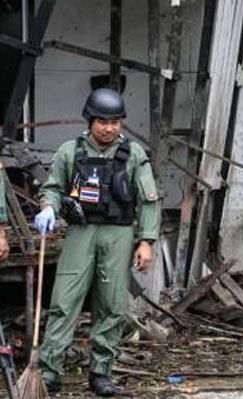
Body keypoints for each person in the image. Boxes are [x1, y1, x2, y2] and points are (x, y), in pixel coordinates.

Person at [35, 88, 160, 396]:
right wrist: (48, 207)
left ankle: (100, 372)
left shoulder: (133, 154)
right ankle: (50, 371)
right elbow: (52, 187)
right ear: (90, 120)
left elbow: (148, 200)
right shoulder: (69, 151)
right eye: (103, 121)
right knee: (64, 301)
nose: (110, 128)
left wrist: (146, 241)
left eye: (116, 121)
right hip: (81, 231)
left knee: (112, 304)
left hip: (118, 234)